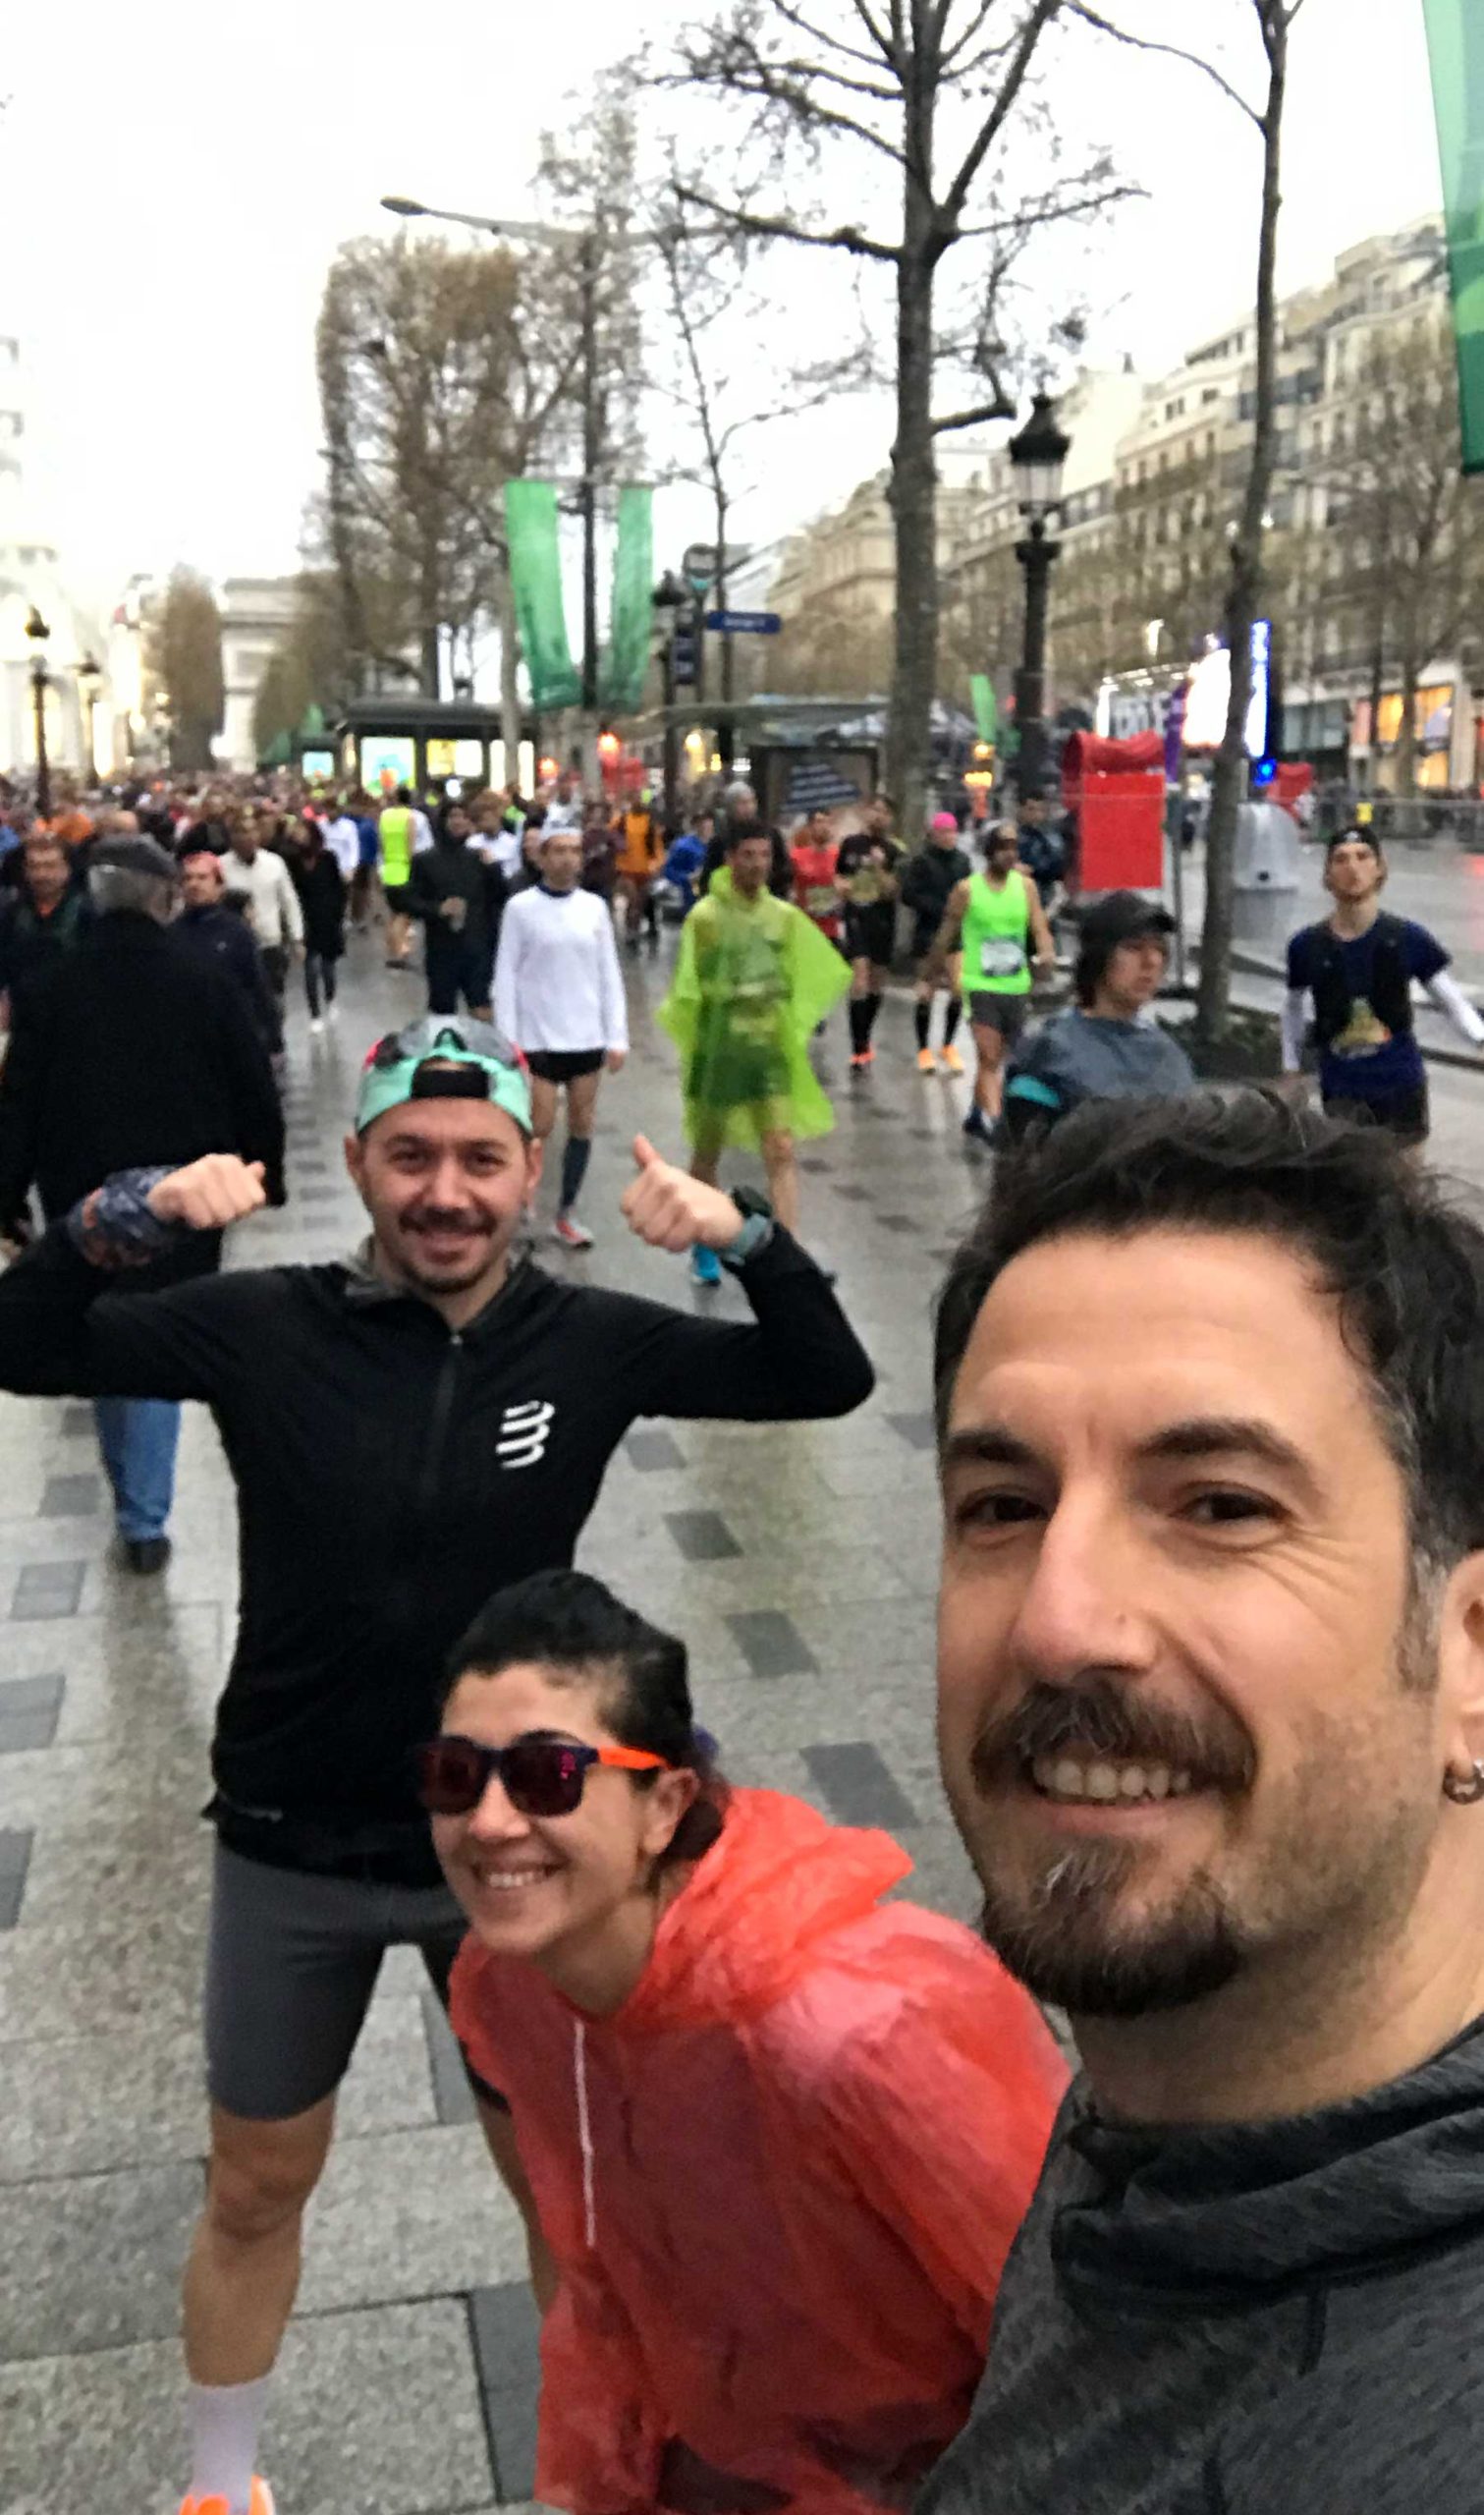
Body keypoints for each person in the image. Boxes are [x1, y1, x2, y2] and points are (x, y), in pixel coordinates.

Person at [0, 1016, 872, 2515]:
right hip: (290, 1835)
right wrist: (114, 1219)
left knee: (561, 2203)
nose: (446, 1193)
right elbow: (22, 1345)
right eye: (411, 1156)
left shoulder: (590, 1344)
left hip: (515, 1850)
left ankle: (595, 2477)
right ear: (357, 1165)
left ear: (530, 1175)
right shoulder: (264, 1325)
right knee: (256, 2183)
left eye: (481, 1160)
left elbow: (822, 1378)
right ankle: (216, 2485)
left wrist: (741, 1240)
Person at [923, 1089, 1484, 2515]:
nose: (1057, 1622)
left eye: (1220, 1505)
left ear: (1469, 1652)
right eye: (1001, 1506)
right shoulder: (1191, 2086)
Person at [438, 1568, 1067, 2515]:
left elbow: (1071, 2340)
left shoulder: (854, 2032)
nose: (487, 1822)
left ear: (663, 1805)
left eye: (546, 1776)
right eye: (454, 1776)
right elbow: (605, 2273)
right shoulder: (511, 1989)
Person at [0, 834, 283, 1574]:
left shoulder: (51, 985)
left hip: (83, 1193)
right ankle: (143, 1512)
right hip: (188, 1193)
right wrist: (265, 1169)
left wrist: (8, 1195)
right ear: (163, 898)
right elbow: (251, 1079)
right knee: (157, 1328)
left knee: (104, 1327)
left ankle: (136, 1502)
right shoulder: (204, 978)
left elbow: (19, 1102)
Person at [658, 825, 852, 1283]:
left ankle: (789, 1256)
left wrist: (792, 1020)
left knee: (780, 1149)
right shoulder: (705, 917)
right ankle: (703, 1245)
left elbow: (807, 969)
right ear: (729, 858)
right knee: (708, 1150)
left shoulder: (783, 916)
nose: (757, 864)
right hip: (720, 1052)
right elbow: (689, 988)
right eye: (747, 855)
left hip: (769, 1052)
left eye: (764, 855)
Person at [1282, 826, 1484, 1143]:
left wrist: (1479, 1038)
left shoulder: (1408, 938)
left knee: (1406, 1170)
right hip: (1342, 1089)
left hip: (1400, 1084)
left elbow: (1451, 1000)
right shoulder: (1306, 946)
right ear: (1327, 875)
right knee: (1349, 1168)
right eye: (1341, 859)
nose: (1353, 868)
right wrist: (1290, 1066)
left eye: (1363, 857)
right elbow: (1293, 1007)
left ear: (1380, 869)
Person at [494, 824, 627, 1250]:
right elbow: (506, 974)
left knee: (582, 1124)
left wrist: (617, 1035)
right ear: (542, 857)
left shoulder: (594, 908)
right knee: (539, 1124)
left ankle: (566, 1212)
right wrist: (508, 1039)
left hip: (585, 1034)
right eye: (559, 851)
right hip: (537, 1036)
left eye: (574, 851)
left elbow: (609, 972)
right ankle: (520, 1201)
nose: (568, 859)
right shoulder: (520, 909)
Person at [1001, 891, 1194, 1139]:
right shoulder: (1050, 1053)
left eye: (1159, 949)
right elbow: (1023, 1152)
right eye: (1134, 947)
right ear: (1098, 958)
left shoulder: (1170, 1056)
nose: (1151, 961)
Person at [938, 822, 1055, 1143]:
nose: (1009, 854)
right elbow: (946, 935)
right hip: (980, 984)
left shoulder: (1026, 887)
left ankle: (977, 1114)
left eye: (1014, 847)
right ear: (989, 851)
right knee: (989, 1057)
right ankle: (997, 1124)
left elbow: (1039, 926)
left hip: (1015, 984)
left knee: (1005, 1058)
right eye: (1002, 847)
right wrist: (931, 975)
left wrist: (1046, 952)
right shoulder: (967, 889)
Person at [178, 851, 282, 1060]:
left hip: (233, 1037)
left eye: (202, 878)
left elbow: (257, 985)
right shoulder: (173, 933)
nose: (194, 884)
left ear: (219, 885)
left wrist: (272, 1038)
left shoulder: (237, 932)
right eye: (188, 878)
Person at [409, 798, 505, 1021]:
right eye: (453, 816)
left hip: (477, 949)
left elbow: (499, 897)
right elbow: (410, 901)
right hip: (442, 950)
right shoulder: (425, 860)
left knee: (481, 1011)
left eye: (464, 817)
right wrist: (437, 909)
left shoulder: (479, 859)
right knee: (443, 1017)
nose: (458, 822)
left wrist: (494, 869)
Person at [835, 797, 906, 1070]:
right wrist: (841, 886)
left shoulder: (895, 850)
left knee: (877, 983)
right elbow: (839, 875)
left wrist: (878, 866)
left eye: (884, 812)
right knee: (860, 978)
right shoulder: (851, 844)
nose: (878, 816)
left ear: (891, 819)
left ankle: (865, 1034)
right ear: (866, 813)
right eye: (875, 810)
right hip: (856, 916)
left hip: (882, 919)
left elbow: (892, 890)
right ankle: (858, 1045)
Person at [902, 810, 972, 1076]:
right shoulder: (921, 861)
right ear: (933, 835)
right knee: (926, 991)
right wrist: (937, 907)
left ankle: (948, 1045)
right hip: (928, 933)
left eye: (952, 832)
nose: (948, 837)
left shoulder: (963, 861)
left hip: (956, 935)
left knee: (958, 988)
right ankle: (923, 1049)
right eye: (943, 832)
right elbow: (908, 895)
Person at [0, 827, 89, 1019]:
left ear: (68, 869)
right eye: (34, 866)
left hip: (75, 1013)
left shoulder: (87, 912)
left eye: (50, 866)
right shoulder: (12, 913)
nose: (42, 874)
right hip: (23, 1017)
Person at [220, 809, 303, 1011]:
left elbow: (289, 900)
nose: (246, 837)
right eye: (240, 832)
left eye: (251, 831)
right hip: (234, 946)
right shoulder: (220, 867)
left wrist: (297, 938)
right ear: (231, 837)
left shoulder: (274, 863)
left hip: (270, 944)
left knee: (274, 1001)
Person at [289, 819, 348, 1034]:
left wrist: (339, 914)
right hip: (305, 919)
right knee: (310, 968)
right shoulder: (292, 861)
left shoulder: (328, 858)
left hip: (328, 918)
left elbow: (339, 888)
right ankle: (314, 1013)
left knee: (328, 967)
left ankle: (330, 998)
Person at [700, 781, 793, 901]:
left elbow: (783, 870)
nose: (749, 807)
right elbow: (708, 878)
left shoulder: (771, 834)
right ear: (730, 807)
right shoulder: (720, 841)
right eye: (742, 803)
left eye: (751, 802)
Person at [788, 806, 845, 954]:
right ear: (810, 827)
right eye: (819, 822)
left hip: (832, 929)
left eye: (828, 822)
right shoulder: (796, 856)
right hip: (806, 927)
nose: (825, 827)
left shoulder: (838, 855)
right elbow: (789, 888)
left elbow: (848, 884)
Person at [377, 785, 422, 969]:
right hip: (404, 869)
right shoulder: (410, 817)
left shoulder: (384, 816)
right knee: (403, 914)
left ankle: (391, 951)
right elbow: (410, 845)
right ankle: (399, 954)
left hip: (389, 868)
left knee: (392, 913)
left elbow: (381, 844)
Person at [613, 792, 663, 946]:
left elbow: (657, 848)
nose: (638, 803)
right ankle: (630, 931)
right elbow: (610, 835)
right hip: (626, 870)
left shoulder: (650, 824)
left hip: (645, 871)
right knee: (633, 900)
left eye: (640, 800)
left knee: (640, 903)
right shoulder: (621, 821)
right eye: (635, 800)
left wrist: (655, 865)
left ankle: (634, 929)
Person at [1015, 790, 1066, 911]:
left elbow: (1057, 866)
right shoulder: (1011, 834)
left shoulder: (1050, 838)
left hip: (1042, 895)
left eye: (1040, 810)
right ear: (1021, 809)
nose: (1036, 815)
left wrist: (1032, 869)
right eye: (1031, 809)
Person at [661, 815, 709, 919]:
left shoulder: (720, 845)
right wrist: (687, 878)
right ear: (695, 825)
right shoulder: (683, 846)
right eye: (701, 823)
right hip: (693, 896)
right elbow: (669, 870)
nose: (706, 826)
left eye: (708, 822)